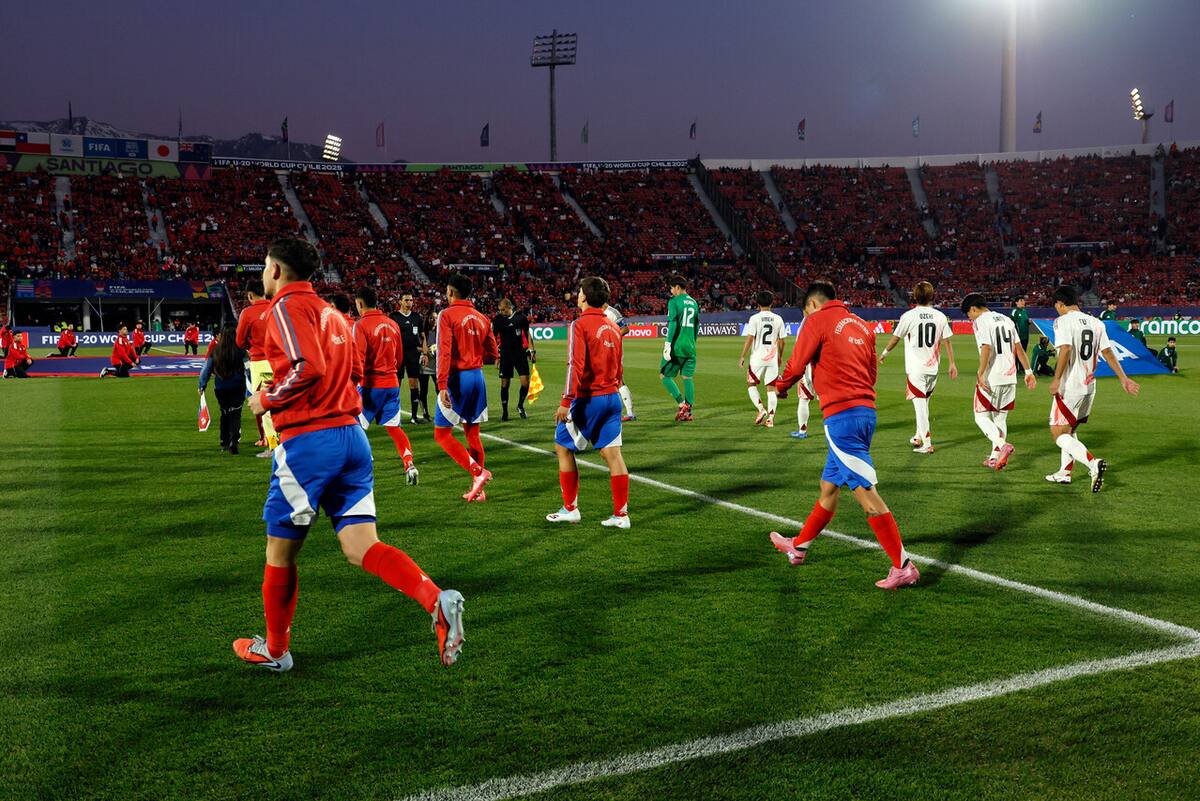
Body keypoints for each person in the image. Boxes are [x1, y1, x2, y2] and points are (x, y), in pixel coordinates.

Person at [237, 238, 464, 673]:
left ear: (277, 271)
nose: (265, 273)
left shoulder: (284, 308)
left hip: (310, 443)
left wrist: (267, 399)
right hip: (351, 439)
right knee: (363, 547)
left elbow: (309, 367)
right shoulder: (337, 316)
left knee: (279, 553)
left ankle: (276, 651)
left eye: (266, 266)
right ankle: (435, 600)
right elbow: (353, 373)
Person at [769, 281, 919, 590]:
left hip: (842, 416)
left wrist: (780, 387)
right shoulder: (862, 325)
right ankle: (799, 547)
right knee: (829, 486)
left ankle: (903, 565)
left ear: (812, 304)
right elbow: (872, 373)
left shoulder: (816, 320)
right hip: (865, 411)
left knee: (865, 493)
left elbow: (797, 364)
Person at [545, 277, 631, 529]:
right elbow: (619, 367)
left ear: (584, 297)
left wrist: (565, 401)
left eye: (579, 291)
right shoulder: (614, 327)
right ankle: (621, 515)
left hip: (588, 399)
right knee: (613, 455)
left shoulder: (579, 325)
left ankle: (570, 509)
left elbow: (576, 366)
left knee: (562, 446)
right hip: (612, 397)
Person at [1044, 286, 1140, 490]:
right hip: (1089, 386)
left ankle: (1092, 463)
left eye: (1057, 306)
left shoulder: (1062, 321)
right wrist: (1123, 379)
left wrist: (1056, 379)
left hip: (1070, 386)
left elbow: (1066, 349)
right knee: (1069, 430)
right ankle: (1064, 472)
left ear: (1060, 304)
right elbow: (1108, 353)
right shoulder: (1096, 323)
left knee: (1058, 434)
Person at [433, 273, 498, 502]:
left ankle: (478, 473)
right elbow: (493, 354)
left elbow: (444, 351)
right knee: (472, 434)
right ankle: (479, 490)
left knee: (442, 434)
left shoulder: (446, 314)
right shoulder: (483, 318)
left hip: (456, 378)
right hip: (477, 378)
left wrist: (442, 384)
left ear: (451, 292)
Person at [879, 281, 957, 454]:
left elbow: (895, 338)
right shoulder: (940, 316)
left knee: (920, 406)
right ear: (932, 296)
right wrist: (952, 363)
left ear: (914, 296)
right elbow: (947, 341)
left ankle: (927, 443)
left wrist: (884, 353)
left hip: (916, 369)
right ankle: (918, 436)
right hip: (933, 369)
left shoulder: (909, 316)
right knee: (925, 403)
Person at [961, 293, 1036, 470]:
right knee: (1000, 417)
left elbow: (986, 347)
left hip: (992, 376)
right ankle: (995, 457)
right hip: (1010, 376)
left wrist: (980, 372)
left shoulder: (981, 321)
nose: (970, 318)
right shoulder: (1006, 319)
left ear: (973, 309)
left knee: (980, 416)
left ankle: (1002, 445)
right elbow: (1018, 348)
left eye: (968, 314)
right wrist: (1028, 371)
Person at [353, 286, 419, 485]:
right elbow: (399, 358)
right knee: (394, 428)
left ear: (360, 304)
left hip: (370, 385)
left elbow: (359, 360)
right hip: (391, 384)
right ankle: (409, 464)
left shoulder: (361, 325)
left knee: (355, 428)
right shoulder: (392, 324)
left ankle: (364, 463)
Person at [236, 278, 278, 456]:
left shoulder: (248, 312)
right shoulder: (277, 308)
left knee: (266, 404)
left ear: (249, 295)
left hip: (259, 363)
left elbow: (239, 341)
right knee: (284, 399)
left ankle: (274, 446)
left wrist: (252, 346)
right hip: (280, 361)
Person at [739, 290, 787, 428]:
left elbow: (750, 338)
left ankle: (761, 409)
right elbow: (783, 341)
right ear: (772, 302)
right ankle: (771, 419)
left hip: (757, 358)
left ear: (757, 303)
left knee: (751, 384)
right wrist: (780, 356)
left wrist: (742, 356)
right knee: (771, 389)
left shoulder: (754, 318)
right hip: (772, 358)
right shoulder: (778, 319)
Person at [199, 324, 248, 454]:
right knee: (236, 414)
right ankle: (234, 441)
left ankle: (224, 442)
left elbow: (206, 369)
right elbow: (248, 368)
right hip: (238, 385)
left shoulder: (215, 350)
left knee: (225, 413)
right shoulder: (241, 350)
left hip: (221, 387)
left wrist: (202, 385)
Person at [660, 274, 700, 421]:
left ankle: (682, 404)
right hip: (690, 346)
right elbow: (696, 327)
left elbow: (673, 323)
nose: (671, 291)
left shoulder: (674, 301)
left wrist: (667, 344)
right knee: (687, 377)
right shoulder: (694, 302)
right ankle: (688, 412)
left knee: (664, 376)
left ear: (677, 287)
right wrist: (692, 343)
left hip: (677, 346)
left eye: (671, 288)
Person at [492, 298, 535, 421]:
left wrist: (532, 350)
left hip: (520, 353)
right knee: (505, 384)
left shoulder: (521, 317)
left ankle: (520, 405)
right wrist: (497, 356)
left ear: (509, 307)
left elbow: (528, 333)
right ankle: (505, 412)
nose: (501, 312)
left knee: (525, 382)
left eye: (503, 309)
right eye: (500, 310)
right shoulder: (498, 320)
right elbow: (493, 338)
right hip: (505, 354)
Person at [390, 293, 430, 424]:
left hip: (413, 354)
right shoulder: (394, 317)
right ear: (400, 301)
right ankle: (394, 416)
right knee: (397, 385)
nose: (409, 302)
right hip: (398, 354)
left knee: (414, 385)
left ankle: (414, 416)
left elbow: (423, 337)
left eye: (411, 300)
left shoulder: (416, 317)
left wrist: (424, 354)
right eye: (406, 300)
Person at [602, 302, 636, 421]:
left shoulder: (612, 313)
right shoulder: (597, 311)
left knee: (618, 381)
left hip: (613, 351)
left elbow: (625, 329)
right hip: (602, 351)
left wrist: (611, 339)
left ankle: (630, 413)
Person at [1010, 296, 1030, 373]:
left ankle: (1022, 368)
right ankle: (1015, 368)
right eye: (1021, 300)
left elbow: (1024, 321)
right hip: (1018, 336)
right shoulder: (1015, 311)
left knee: (1023, 352)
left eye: (1023, 300)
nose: (1023, 302)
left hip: (1025, 335)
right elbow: (1011, 322)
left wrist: (1028, 322)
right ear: (1016, 302)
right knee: (1017, 352)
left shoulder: (1024, 311)